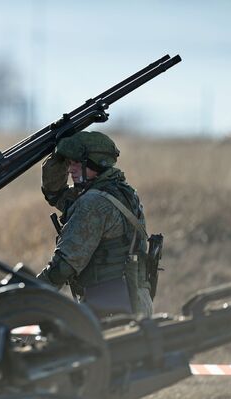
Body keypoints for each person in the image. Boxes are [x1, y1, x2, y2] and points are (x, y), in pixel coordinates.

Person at [36, 131, 153, 317]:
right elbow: (56, 194)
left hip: (109, 308)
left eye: (76, 163)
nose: (71, 169)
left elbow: (63, 267)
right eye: (68, 163)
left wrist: (29, 294)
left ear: (95, 164)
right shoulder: (121, 191)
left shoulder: (92, 204)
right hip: (135, 300)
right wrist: (58, 154)